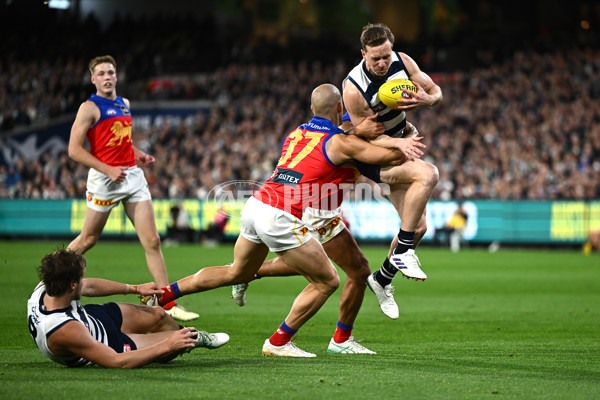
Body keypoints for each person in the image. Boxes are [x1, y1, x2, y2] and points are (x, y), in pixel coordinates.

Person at [143, 83, 407, 357]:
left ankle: (165, 294)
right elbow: (390, 156)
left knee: (236, 271)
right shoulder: (341, 142)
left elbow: (327, 145)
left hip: (256, 204)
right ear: (340, 108)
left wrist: (352, 131)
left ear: (311, 109)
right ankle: (278, 342)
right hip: (281, 215)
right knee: (327, 280)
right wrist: (402, 137)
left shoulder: (297, 132)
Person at [66, 55, 198, 321]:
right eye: (101, 73)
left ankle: (166, 302)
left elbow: (119, 140)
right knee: (89, 239)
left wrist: (138, 153)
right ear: (93, 79)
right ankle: (51, 274)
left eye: (110, 72)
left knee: (152, 240)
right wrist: (107, 169)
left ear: (116, 76)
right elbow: (74, 151)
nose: (106, 77)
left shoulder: (124, 104)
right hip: (105, 180)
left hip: (132, 177)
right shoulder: (89, 108)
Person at [342, 23, 443, 317]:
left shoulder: (403, 61)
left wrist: (428, 100)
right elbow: (367, 134)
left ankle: (382, 279)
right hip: (375, 157)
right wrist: (397, 145)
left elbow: (435, 91)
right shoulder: (354, 88)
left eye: (386, 55)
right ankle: (406, 252)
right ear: (363, 54)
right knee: (429, 174)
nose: (382, 63)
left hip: (400, 146)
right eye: (375, 58)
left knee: (419, 225)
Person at [27, 249, 229, 368]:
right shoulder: (64, 330)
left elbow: (90, 286)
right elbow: (117, 361)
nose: (84, 280)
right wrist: (168, 345)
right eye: (80, 278)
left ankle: (179, 335)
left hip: (94, 318)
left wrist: (135, 288)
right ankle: (192, 338)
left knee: (158, 314)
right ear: (72, 284)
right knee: (174, 343)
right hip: (107, 343)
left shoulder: (47, 286)